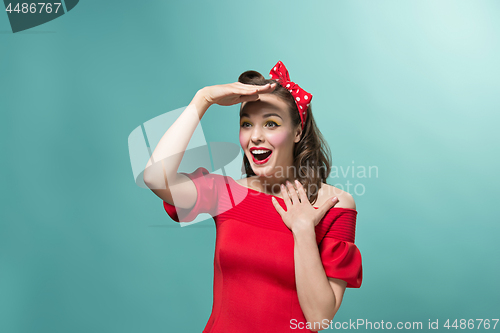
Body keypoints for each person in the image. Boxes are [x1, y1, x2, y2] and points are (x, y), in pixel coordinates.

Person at [143, 61, 362, 332]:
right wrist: (203, 99)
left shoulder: (334, 205)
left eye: (271, 123)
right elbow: (155, 176)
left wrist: (304, 229)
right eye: (247, 124)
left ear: (297, 132)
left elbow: (319, 318)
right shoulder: (226, 194)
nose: (255, 136)